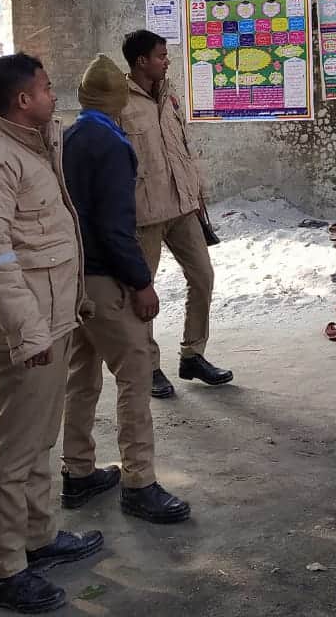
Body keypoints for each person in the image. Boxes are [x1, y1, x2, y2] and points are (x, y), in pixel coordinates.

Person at [0, 53, 102, 614]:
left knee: (40, 440)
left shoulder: (37, 143)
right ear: (22, 99)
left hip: (55, 318)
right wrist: (27, 331)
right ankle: (5, 570)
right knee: (10, 454)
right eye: (45, 87)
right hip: (27, 332)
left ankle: (39, 538)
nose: (53, 95)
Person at [59, 54, 191, 524]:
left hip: (72, 277)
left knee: (81, 374)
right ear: (119, 101)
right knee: (134, 377)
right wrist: (140, 282)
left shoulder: (67, 138)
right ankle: (139, 482)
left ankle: (77, 471)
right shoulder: (112, 144)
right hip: (105, 278)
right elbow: (116, 226)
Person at [120, 30, 232, 399]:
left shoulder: (169, 97)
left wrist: (197, 196)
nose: (167, 61)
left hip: (183, 208)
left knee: (203, 276)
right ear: (141, 61)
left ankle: (192, 355)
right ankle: (149, 366)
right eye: (161, 56)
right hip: (144, 214)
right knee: (142, 293)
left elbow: (182, 150)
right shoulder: (119, 103)